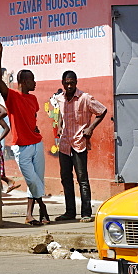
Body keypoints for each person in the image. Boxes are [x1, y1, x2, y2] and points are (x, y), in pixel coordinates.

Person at [0, 41, 50, 226]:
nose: (35, 82)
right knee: (33, 180)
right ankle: (42, 209)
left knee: (36, 180)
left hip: (37, 143)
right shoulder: (12, 97)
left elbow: (32, 116)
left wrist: (33, 128)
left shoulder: (33, 98)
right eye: (32, 79)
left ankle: (29, 215)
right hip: (22, 147)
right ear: (24, 82)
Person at [53, 70, 108, 222]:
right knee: (66, 178)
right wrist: (59, 124)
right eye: (66, 83)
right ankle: (70, 211)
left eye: (72, 83)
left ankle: (85, 213)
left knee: (82, 178)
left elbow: (102, 111)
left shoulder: (85, 98)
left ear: (76, 82)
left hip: (79, 143)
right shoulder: (60, 99)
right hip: (64, 143)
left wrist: (91, 128)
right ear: (62, 83)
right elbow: (60, 113)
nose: (69, 86)